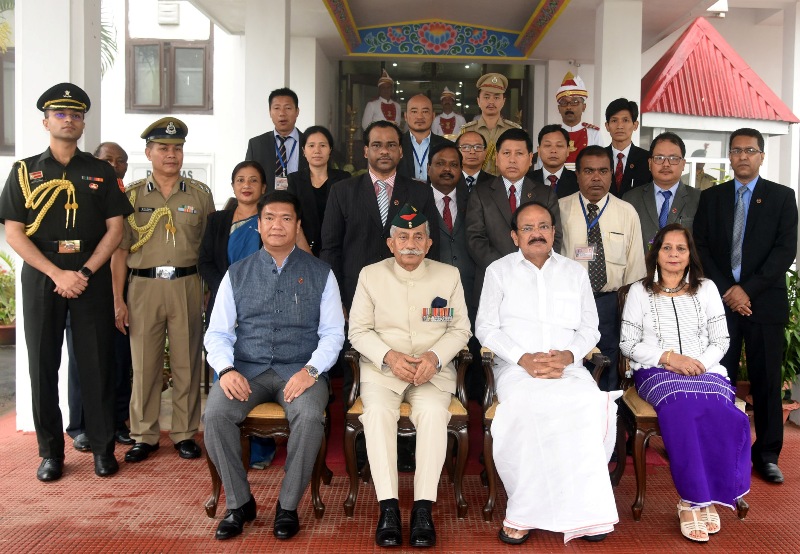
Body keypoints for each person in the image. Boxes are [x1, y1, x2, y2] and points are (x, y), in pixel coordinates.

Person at [0, 83, 133, 481]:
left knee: (96, 364)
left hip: (88, 274)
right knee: (42, 364)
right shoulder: (24, 171)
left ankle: (102, 449)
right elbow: (14, 233)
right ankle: (50, 453)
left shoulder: (99, 171)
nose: (69, 120)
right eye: (61, 114)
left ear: (83, 123)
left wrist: (87, 272)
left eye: (76, 115)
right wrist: (57, 273)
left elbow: (116, 230)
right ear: (45, 121)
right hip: (44, 276)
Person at [476, 200, 619, 545]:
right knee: (527, 408)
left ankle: (588, 511)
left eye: (543, 226)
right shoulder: (498, 271)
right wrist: (522, 358)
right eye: (527, 228)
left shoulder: (574, 271)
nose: (536, 234)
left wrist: (569, 355)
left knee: (589, 403)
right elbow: (485, 328)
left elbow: (590, 328)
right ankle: (524, 511)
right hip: (517, 369)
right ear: (514, 236)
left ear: (554, 232)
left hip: (567, 368)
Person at [204, 190, 345, 541]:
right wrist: (226, 370)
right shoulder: (236, 273)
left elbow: (333, 334)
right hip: (246, 369)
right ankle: (239, 503)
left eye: (286, 218)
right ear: (258, 225)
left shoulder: (321, 273)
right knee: (215, 415)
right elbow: (217, 333)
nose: (277, 225)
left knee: (311, 416)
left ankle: (287, 506)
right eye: (269, 218)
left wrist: (311, 371)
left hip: (300, 370)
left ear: (298, 225)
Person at [348, 204, 471, 548]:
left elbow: (461, 329)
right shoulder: (370, 275)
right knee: (376, 415)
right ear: (391, 243)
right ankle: (388, 507)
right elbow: (358, 331)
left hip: (431, 373)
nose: (411, 243)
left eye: (418, 236)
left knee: (433, 415)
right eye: (403, 237)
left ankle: (422, 509)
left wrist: (435, 357)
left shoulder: (448, 276)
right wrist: (388, 356)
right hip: (383, 373)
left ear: (429, 243)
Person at [620, 223, 751, 543]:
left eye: (681, 248)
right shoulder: (639, 291)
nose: (674, 255)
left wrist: (699, 364)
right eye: (667, 248)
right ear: (657, 253)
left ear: (690, 254)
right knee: (682, 407)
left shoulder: (706, 288)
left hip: (705, 369)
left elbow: (721, 340)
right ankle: (692, 501)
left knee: (724, 412)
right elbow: (628, 343)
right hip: (657, 370)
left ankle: (708, 497)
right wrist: (669, 358)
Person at [694, 128, 799, 484]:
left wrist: (747, 290)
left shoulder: (782, 197)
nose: (743, 156)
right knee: (719, 377)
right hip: (721, 303)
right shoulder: (713, 198)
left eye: (750, 150)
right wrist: (729, 291)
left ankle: (767, 455)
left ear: (761, 156)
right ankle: (718, 448)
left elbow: (785, 251)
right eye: (736, 150)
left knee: (766, 381)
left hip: (764, 304)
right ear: (729, 156)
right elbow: (702, 247)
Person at [112, 117, 215, 463]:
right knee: (144, 363)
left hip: (187, 283)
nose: (171, 155)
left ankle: (185, 432)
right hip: (143, 285)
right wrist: (118, 299)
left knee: (187, 361)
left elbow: (209, 249)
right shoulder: (132, 195)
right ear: (148, 152)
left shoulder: (200, 195)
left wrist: (207, 291)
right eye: (163, 148)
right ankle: (145, 434)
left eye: (177, 148)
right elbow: (120, 251)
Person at [321, 120, 439, 314]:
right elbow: (330, 250)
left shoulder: (420, 192)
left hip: (409, 295)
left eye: (391, 145)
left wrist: (426, 294)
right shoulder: (342, 191)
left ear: (401, 151)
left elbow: (432, 247)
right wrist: (336, 298)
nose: (384, 151)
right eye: (377, 145)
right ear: (366, 151)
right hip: (355, 295)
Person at [67, 141, 134, 452]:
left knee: (120, 361)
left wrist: (119, 298)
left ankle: (117, 421)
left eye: (120, 161)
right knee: (83, 361)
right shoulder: (81, 195)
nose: (114, 165)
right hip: (85, 286)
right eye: (108, 159)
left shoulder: (125, 197)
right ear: (94, 162)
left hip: (121, 290)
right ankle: (80, 426)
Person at [559, 145, 645, 390]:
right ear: (577, 175)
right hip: (570, 303)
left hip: (610, 304)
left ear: (611, 174)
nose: (596, 177)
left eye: (603, 171)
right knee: (570, 364)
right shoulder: (560, 209)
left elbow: (636, 269)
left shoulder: (627, 212)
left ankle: (607, 420)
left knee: (607, 367)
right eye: (588, 171)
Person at [466, 128, 561, 308]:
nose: (512, 159)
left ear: (530, 158)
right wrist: (507, 269)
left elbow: (554, 239)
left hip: (536, 280)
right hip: (494, 280)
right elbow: (475, 239)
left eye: (519, 153)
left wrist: (530, 269)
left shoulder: (545, 194)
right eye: (506, 153)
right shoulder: (481, 193)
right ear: (496, 157)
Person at [623, 132, 700, 255]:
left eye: (673, 158)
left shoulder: (699, 199)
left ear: (683, 164)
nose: (666, 164)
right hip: (641, 272)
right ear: (649, 163)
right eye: (659, 158)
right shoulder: (630, 199)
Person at [287, 126, 351, 257]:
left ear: (330, 150)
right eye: (311, 146)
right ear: (304, 151)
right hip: (303, 251)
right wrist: (309, 257)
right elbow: (292, 219)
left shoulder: (344, 178)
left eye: (322, 145)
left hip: (339, 251)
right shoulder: (294, 180)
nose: (317, 150)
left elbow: (349, 219)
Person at [245, 88, 307, 192]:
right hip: (267, 205)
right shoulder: (256, 145)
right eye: (277, 108)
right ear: (270, 112)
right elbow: (249, 178)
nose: (282, 113)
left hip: (302, 205)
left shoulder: (309, 143)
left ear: (297, 111)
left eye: (288, 108)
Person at [459, 73, 521, 175]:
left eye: (496, 97)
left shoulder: (514, 130)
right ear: (478, 101)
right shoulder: (467, 131)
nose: (491, 102)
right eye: (486, 97)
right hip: (476, 186)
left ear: (503, 101)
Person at [398, 94, 451, 182]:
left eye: (425, 111)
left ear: (433, 116)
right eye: (414, 111)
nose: (420, 117)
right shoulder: (395, 144)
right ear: (406, 116)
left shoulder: (446, 146)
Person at [604, 98, 651, 197]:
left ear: (635, 125)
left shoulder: (647, 159)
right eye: (614, 120)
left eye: (625, 120)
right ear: (607, 126)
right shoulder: (599, 157)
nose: (620, 126)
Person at [556, 72, 602, 165]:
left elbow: (600, 163)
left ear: (584, 107)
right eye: (564, 103)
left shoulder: (593, 133)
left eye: (575, 102)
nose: (569, 107)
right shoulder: (552, 133)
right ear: (559, 108)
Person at [526, 124, 580, 198]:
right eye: (548, 145)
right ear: (539, 150)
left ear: (568, 151)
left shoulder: (578, 181)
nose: (553, 151)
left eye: (559, 146)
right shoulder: (527, 180)